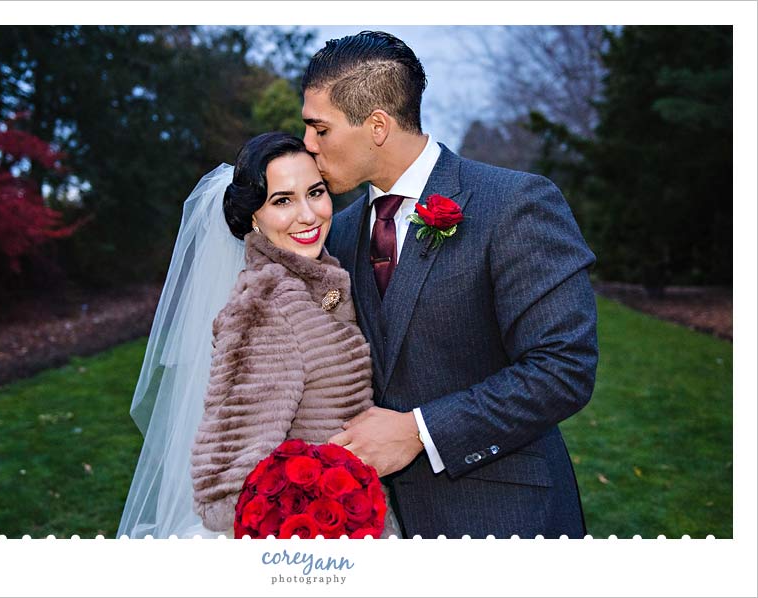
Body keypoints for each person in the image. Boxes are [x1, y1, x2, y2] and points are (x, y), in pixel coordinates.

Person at [302, 31, 599, 538]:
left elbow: (563, 366)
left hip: (502, 517)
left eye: (319, 129)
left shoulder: (515, 204)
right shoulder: (341, 230)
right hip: (372, 520)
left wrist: (420, 431)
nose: (307, 145)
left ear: (376, 126)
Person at [117, 132, 401, 538]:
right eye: (282, 201)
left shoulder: (322, 282)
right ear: (254, 216)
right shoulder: (265, 307)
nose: (308, 214)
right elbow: (226, 485)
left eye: (315, 192)